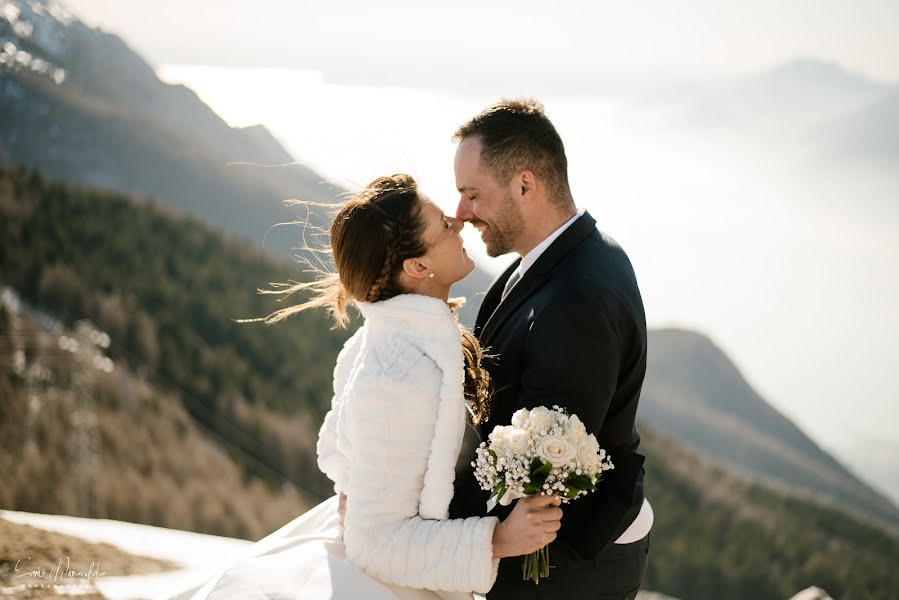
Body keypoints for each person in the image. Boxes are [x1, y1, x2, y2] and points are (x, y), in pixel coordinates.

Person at [179, 174, 563, 600]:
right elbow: (375, 542)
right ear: (417, 267)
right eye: (444, 226)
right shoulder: (399, 376)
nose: (458, 221)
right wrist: (497, 541)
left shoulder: (406, 344)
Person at [447, 99, 653, 600]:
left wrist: (427, 526)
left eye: (473, 194)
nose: (461, 213)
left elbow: (545, 468)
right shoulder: (564, 252)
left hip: (566, 565)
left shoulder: (576, 300)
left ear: (525, 184)